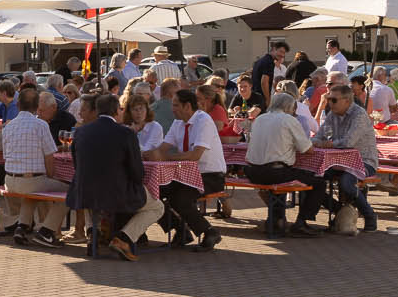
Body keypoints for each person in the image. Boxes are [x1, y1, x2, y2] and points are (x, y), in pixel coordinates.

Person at [69, 92, 150, 259]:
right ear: (116, 111)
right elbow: (136, 170)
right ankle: (124, 237)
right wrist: (137, 183)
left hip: (85, 191)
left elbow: (77, 165)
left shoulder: (81, 132)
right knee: (158, 207)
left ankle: (93, 232)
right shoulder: (126, 133)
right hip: (117, 193)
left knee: (91, 195)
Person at [149, 86, 225, 250]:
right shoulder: (178, 123)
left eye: (176, 105)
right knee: (152, 193)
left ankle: (209, 232)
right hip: (185, 175)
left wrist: (164, 157)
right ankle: (180, 230)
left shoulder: (203, 120)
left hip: (210, 175)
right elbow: (163, 148)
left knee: (180, 199)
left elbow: (195, 155)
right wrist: (144, 154)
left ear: (187, 106)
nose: (172, 109)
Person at [242, 89, 325, 235]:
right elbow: (308, 149)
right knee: (318, 183)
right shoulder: (288, 120)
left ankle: (275, 219)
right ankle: (301, 222)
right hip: (274, 172)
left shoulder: (260, 119)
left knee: (286, 173)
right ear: (289, 107)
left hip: (252, 171)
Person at [313, 82, 380, 231]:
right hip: (337, 162)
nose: (330, 103)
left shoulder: (359, 114)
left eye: (334, 100)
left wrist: (328, 144)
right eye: (329, 99)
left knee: (347, 183)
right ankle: (339, 210)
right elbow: (318, 137)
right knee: (311, 180)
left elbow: (349, 142)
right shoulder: (332, 115)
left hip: (364, 161)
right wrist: (318, 143)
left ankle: (369, 215)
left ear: (347, 100)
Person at [0, 91, 62, 239]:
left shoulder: (8, 127)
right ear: (36, 107)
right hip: (31, 181)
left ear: (18, 105)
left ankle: (23, 225)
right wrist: (50, 177)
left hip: (9, 181)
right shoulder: (41, 125)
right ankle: (47, 230)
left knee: (32, 189)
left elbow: (5, 156)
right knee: (71, 193)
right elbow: (49, 157)